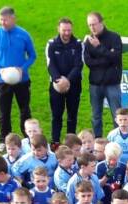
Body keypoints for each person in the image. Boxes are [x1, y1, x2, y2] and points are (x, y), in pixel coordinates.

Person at [0, 6, 36, 153]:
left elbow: (32, 55)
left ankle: (27, 139)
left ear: (13, 18)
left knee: (25, 110)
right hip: (2, 81)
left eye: (5, 19)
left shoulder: (23, 35)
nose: (3, 22)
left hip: (22, 80)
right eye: (1, 19)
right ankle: (4, 139)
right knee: (4, 111)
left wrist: (23, 68)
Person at [83, 12, 123, 137]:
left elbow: (115, 58)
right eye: (89, 25)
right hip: (95, 84)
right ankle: (97, 143)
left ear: (101, 22)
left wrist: (99, 47)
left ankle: (119, 142)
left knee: (117, 118)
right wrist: (107, 57)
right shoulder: (88, 41)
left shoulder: (114, 38)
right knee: (96, 117)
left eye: (94, 24)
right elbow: (89, 62)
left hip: (112, 84)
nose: (92, 28)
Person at [46, 17, 83, 147]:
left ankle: (70, 143)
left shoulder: (78, 44)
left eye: (69, 30)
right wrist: (58, 80)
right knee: (56, 115)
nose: (67, 33)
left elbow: (78, 65)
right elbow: (50, 65)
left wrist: (67, 80)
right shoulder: (51, 44)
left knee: (72, 115)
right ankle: (55, 142)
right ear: (58, 29)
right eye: (64, 30)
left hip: (74, 85)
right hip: (56, 86)